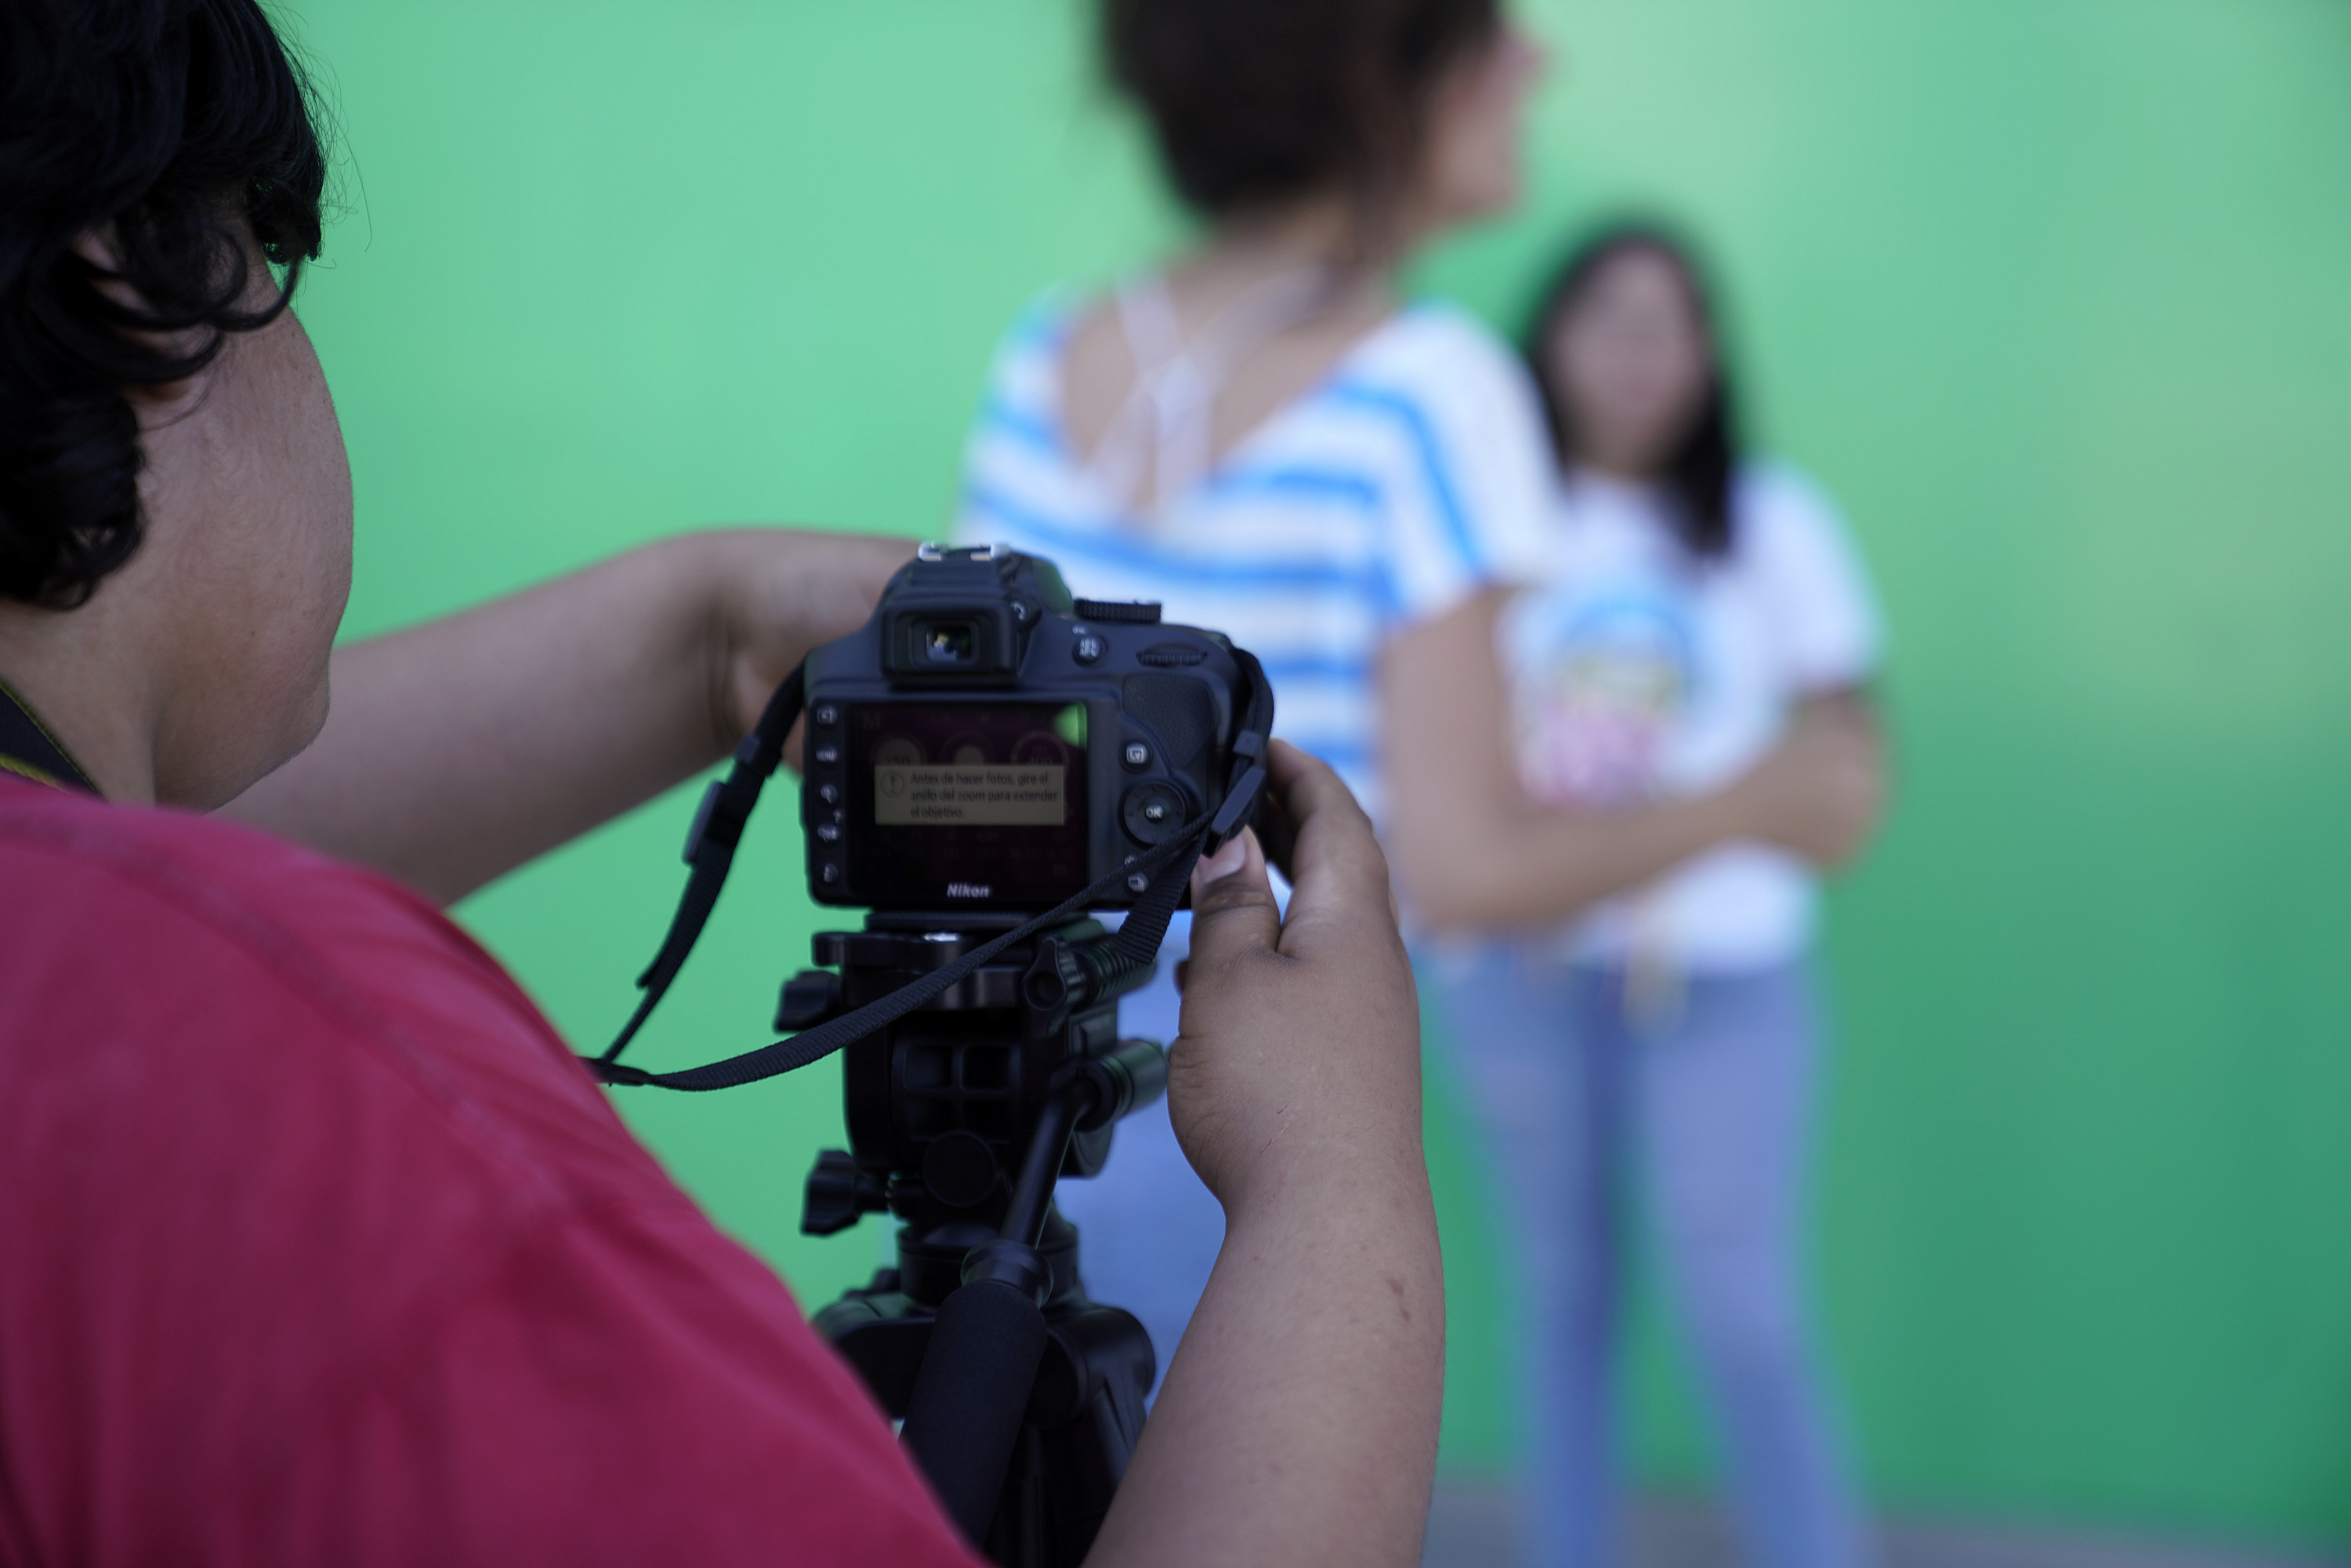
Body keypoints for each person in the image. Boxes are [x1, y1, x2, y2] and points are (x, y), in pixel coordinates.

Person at [0, 3, 1447, 1563]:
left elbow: (122, 875)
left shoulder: (84, 983)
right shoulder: (308, 1072)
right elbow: (183, 933)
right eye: (281, 265)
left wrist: (702, 641)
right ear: (137, 289)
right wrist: (1334, 1183)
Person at [951, 0, 1553, 1390]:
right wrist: (1770, 797)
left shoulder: (1049, 349)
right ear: (1380, 79)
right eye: (1491, 35)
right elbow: (1461, 863)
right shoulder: (1433, 390)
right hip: (1262, 1090)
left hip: (1003, 1064)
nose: (1536, 61)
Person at [1384, 224, 1887, 1568]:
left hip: (1723, 984)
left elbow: (1849, 772)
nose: (1637, 353)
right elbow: (1443, 771)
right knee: (1561, 1299)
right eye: (1607, 317)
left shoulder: (1771, 524)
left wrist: (1748, 809)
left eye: (1670, 323)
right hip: (1522, 977)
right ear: (1547, 340)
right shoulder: (1491, 531)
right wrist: (1721, 806)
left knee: (1742, 1308)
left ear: (1711, 354)